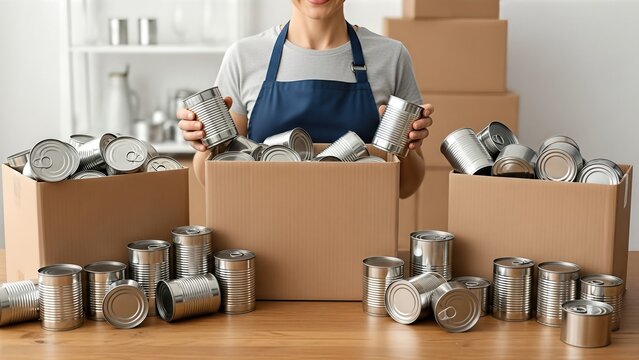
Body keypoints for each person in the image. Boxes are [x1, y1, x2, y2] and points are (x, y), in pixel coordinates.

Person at [177, 0, 434, 198]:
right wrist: (207, 144)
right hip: (264, 237)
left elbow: (405, 187)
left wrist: (406, 147)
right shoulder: (244, 56)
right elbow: (213, 181)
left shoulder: (391, 57)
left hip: (359, 237)